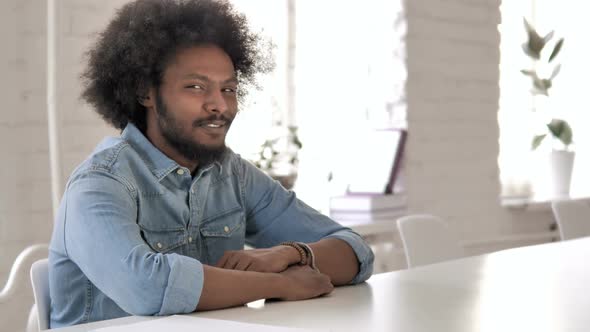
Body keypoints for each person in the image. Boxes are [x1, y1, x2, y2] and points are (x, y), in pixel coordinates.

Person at [48, 0, 374, 328]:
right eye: (196, 87)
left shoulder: (232, 174)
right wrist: (281, 284)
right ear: (146, 92)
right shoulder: (100, 182)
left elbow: (356, 252)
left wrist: (290, 254)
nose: (219, 104)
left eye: (228, 88)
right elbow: (146, 287)